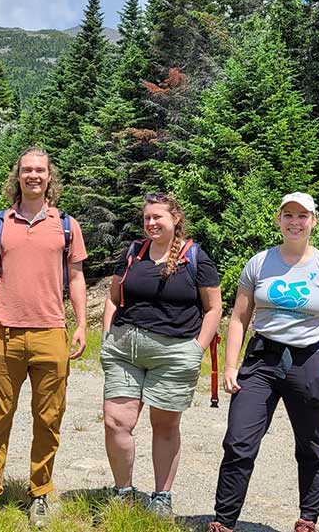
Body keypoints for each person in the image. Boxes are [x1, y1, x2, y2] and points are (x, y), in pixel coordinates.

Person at [208, 192, 319, 532]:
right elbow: (238, 318)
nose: (295, 222)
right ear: (278, 220)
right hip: (261, 360)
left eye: (302, 216)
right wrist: (231, 367)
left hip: (308, 362)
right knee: (239, 441)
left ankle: (308, 519)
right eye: (288, 215)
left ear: (313, 221)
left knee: (312, 446)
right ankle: (224, 522)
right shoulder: (259, 263)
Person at [0, 146, 88, 527]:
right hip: (5, 332)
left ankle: (40, 491)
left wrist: (82, 324)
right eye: (27, 170)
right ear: (17, 176)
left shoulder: (66, 225)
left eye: (40, 170)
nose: (33, 176)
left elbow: (75, 278)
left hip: (52, 332)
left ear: (49, 177)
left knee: (49, 418)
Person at [100, 192, 222, 518]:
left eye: (158, 217)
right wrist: (107, 334)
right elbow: (114, 297)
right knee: (116, 422)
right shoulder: (132, 253)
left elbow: (213, 309)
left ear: (175, 219)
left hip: (175, 352)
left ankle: (161, 496)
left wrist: (197, 349)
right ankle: (123, 491)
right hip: (125, 349)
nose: (151, 223)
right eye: (147, 218)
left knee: (164, 426)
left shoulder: (195, 257)